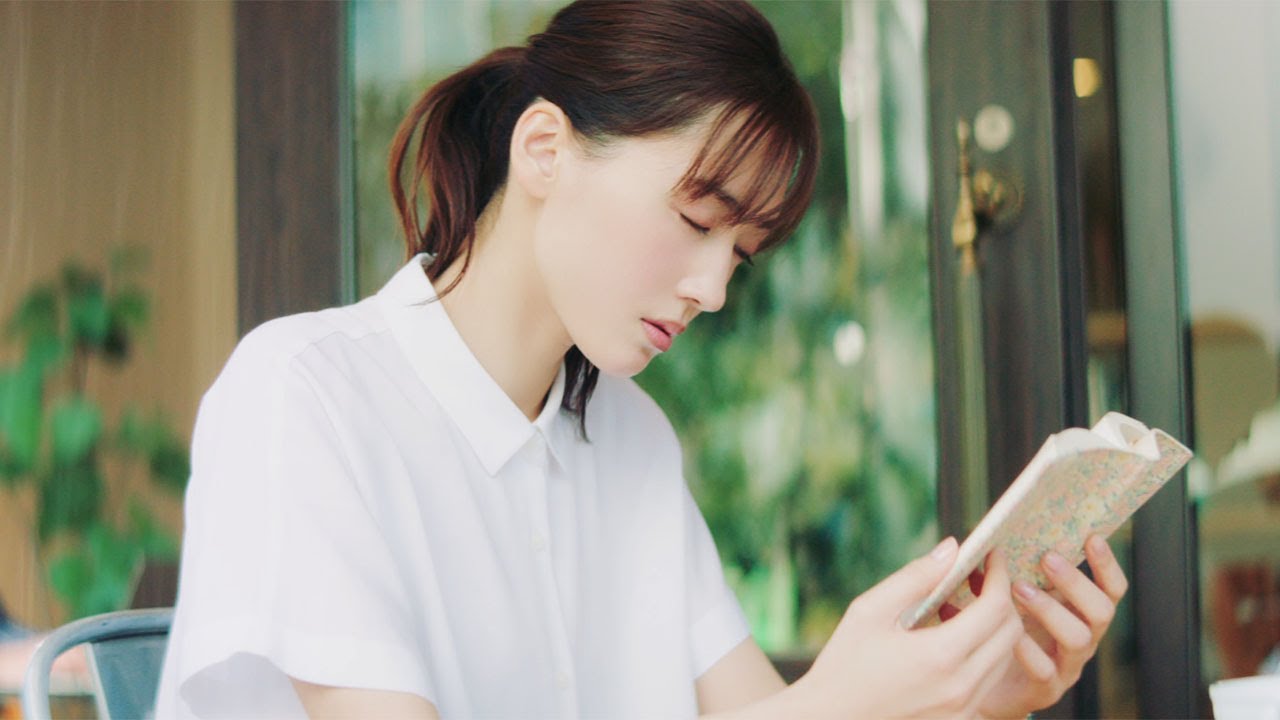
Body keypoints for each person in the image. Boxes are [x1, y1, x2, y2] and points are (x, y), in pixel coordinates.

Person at [154, 1, 1128, 717]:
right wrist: (835, 703)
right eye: (697, 220)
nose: (713, 289)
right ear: (544, 148)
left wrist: (976, 693)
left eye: (739, 254)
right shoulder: (303, 397)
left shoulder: (630, 443)